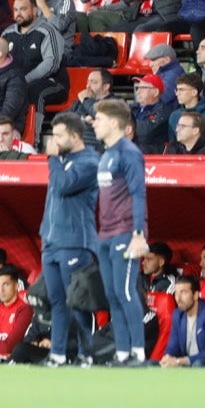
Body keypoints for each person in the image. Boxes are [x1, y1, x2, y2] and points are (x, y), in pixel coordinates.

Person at [90, 99, 149, 367]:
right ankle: (122, 353)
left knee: (126, 293)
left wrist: (139, 234)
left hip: (125, 232)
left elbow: (138, 194)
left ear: (114, 123)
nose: (94, 123)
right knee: (112, 294)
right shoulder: (106, 153)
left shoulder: (129, 153)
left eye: (98, 119)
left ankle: (138, 353)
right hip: (105, 234)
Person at [41, 113, 100, 366]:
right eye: (53, 135)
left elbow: (64, 185)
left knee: (78, 303)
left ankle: (89, 355)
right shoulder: (61, 160)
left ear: (75, 136)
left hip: (76, 242)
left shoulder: (89, 161)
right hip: (51, 242)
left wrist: (52, 157)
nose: (54, 141)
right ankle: (57, 355)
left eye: (59, 135)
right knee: (57, 303)